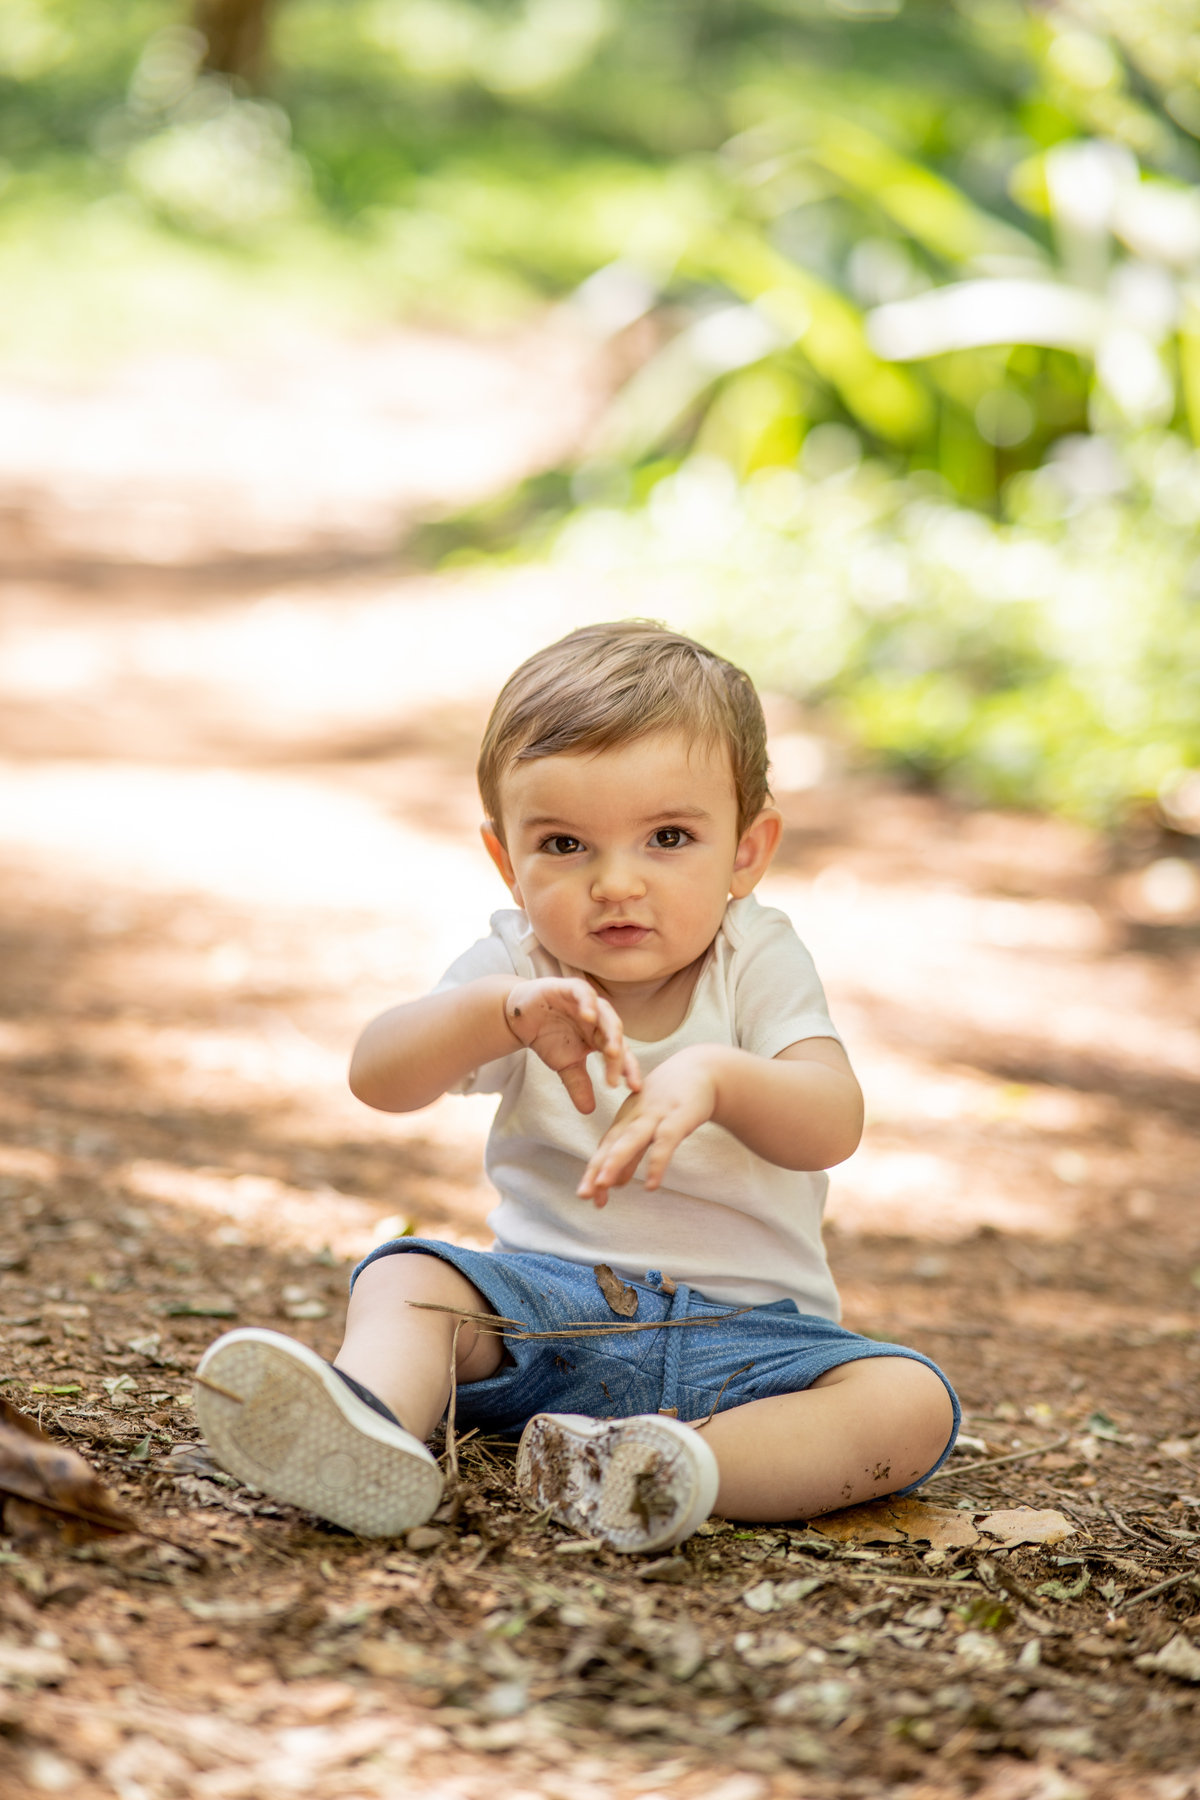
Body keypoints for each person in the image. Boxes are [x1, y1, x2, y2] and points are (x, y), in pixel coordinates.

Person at [195, 621, 958, 1550]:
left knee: (907, 1400)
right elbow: (377, 1076)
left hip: (750, 1341)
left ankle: (671, 1465)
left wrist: (716, 1077)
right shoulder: (520, 965)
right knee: (407, 1277)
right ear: (508, 862)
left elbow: (832, 1121)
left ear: (747, 851)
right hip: (547, 1314)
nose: (616, 883)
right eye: (565, 844)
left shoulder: (754, 958)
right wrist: (500, 1013)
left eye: (668, 836)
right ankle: (363, 1431)